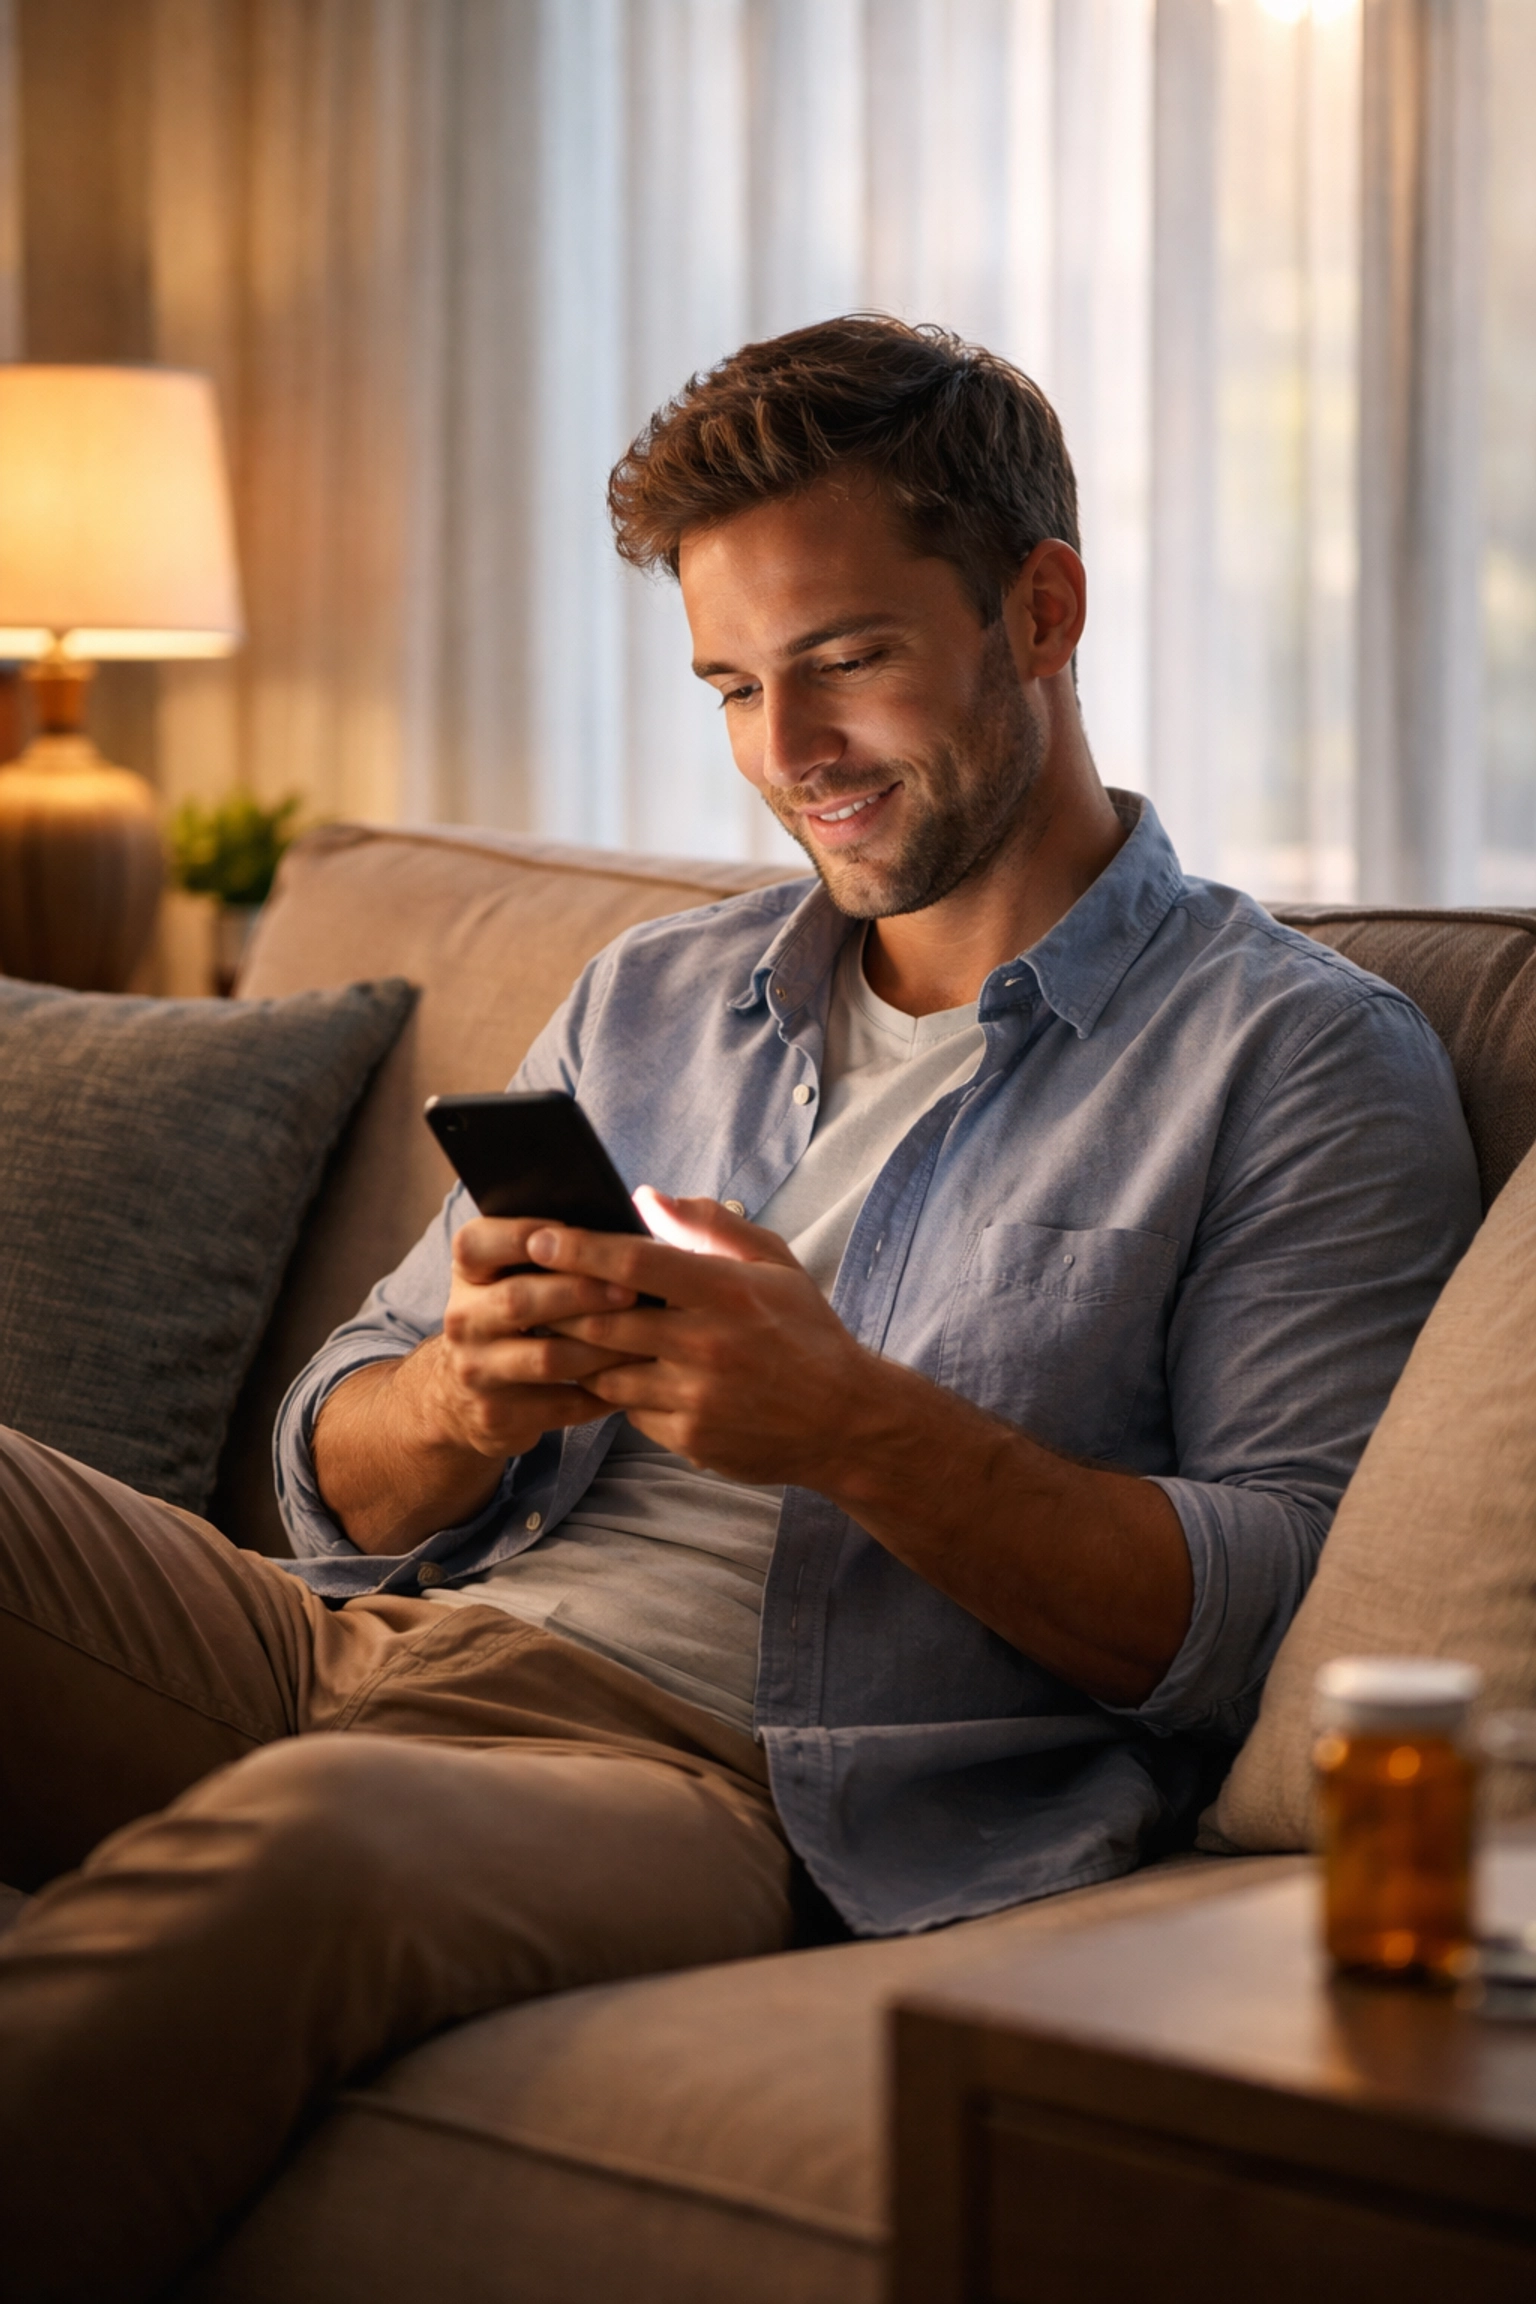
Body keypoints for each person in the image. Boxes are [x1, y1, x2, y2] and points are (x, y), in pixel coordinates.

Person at [0, 318, 1478, 2302]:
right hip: (366, 1654)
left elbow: (1261, 1617)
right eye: (732, 686)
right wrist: (460, 1401)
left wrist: (847, 1423)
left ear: (1040, 610)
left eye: (847, 658)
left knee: (310, 1851)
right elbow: (328, 1456)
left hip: (725, 1780)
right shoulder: (656, 994)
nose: (790, 755)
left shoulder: (1294, 1059)